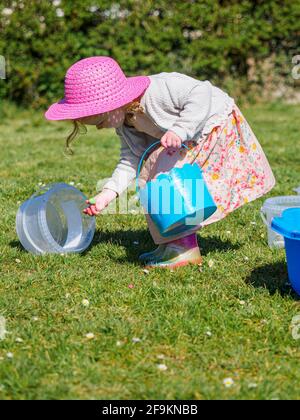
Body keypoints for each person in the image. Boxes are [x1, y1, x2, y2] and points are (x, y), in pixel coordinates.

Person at [45, 56, 276, 269]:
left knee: (166, 177)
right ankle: (169, 245)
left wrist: (180, 129)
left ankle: (185, 248)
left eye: (100, 119)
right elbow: (129, 159)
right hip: (183, 138)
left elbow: (202, 91)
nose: (99, 127)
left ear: (113, 103)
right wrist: (107, 194)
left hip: (212, 124)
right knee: (147, 173)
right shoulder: (124, 122)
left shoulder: (160, 90)